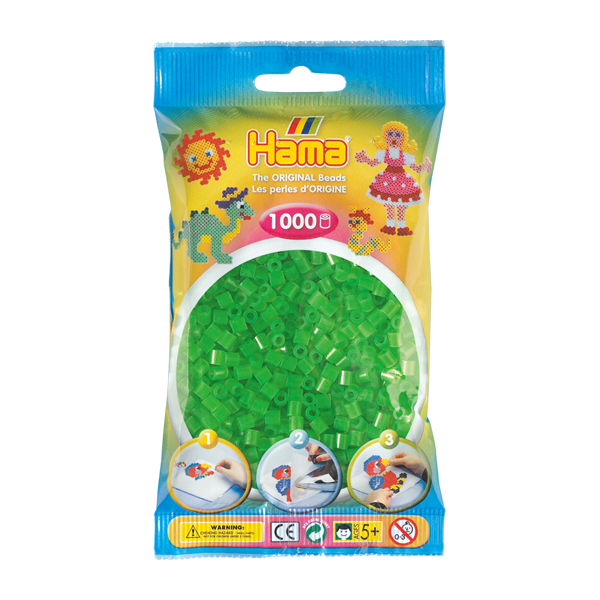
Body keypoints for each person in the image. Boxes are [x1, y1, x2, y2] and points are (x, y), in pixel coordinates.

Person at [355, 121, 432, 236]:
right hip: (387, 181)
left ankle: (401, 227)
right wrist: (365, 158)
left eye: (398, 135)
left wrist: (424, 166)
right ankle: (390, 226)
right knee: (389, 205)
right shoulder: (383, 153)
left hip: (402, 182)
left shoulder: (405, 156)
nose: (394, 138)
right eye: (390, 134)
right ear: (385, 137)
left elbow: (415, 167)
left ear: (403, 139)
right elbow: (374, 163)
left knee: (401, 205)